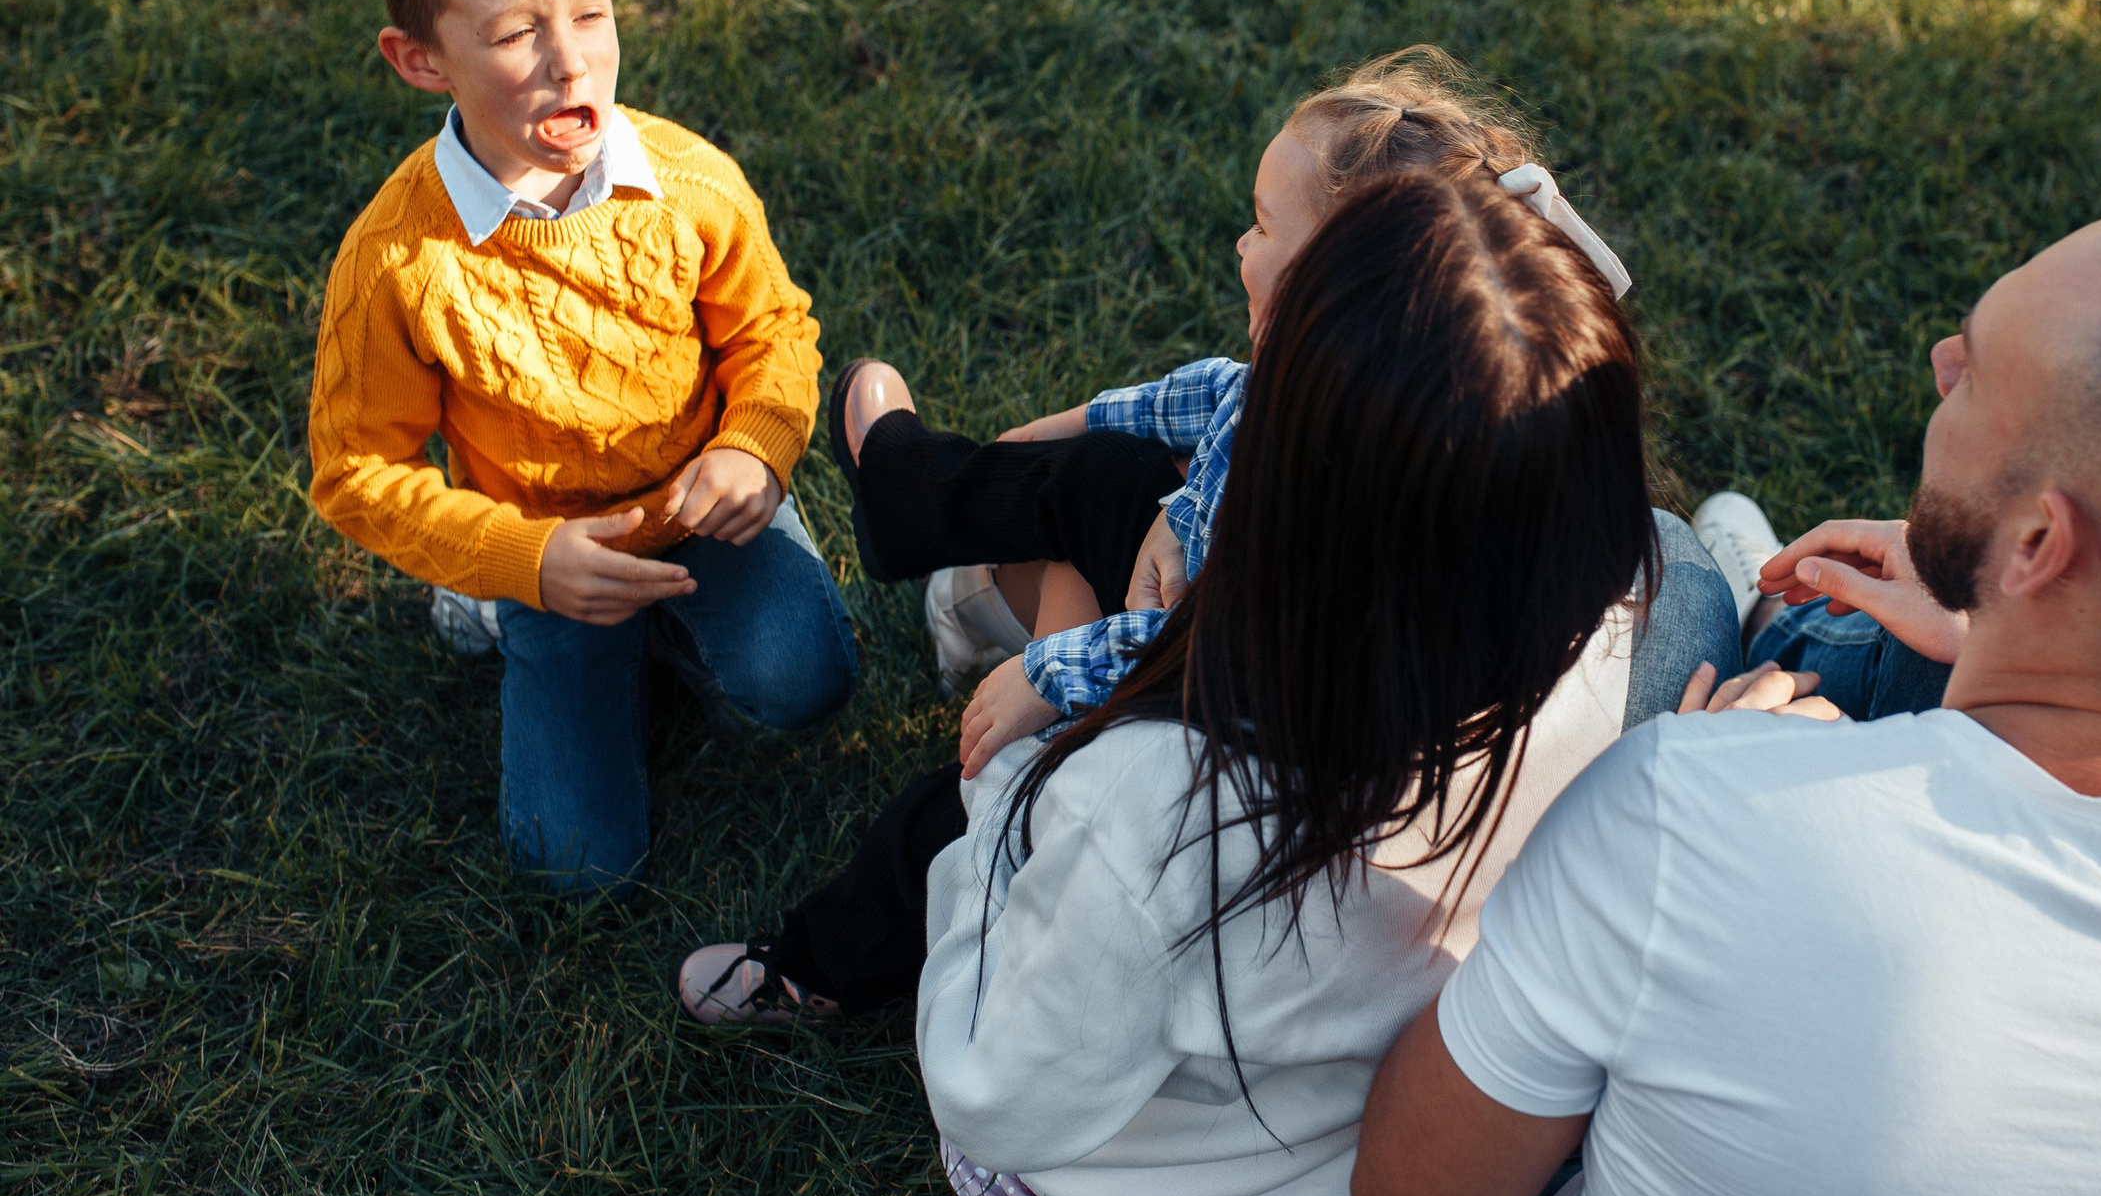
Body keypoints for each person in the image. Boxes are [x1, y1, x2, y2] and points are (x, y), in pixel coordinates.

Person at [1352, 214, 2101, 1196]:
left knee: (1675, 578)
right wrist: (1993, 622)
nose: (1938, 360)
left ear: (2035, 544)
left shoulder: (1686, 811)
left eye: (1976, 367)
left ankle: (1761, 631)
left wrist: (1697, 775)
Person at [671, 70, 1732, 1022]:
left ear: (1346, 301)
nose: (1240, 245)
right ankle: (914, 493)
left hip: (1191, 706)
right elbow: (1182, 403)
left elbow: (1207, 664)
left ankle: (814, 966)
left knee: (954, 807)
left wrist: (1051, 667)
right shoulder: (1341, 403)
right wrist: (1017, 462)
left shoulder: (1348, 551)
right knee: (1099, 471)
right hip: (1187, 612)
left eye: (1265, 227)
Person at [921, 168, 1654, 1196]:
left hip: (1156, 1195)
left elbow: (1001, 1102)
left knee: (1005, 770)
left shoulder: (1146, 805)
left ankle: (1006, 609)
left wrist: (1000, 814)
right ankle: (1028, 615)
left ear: (1274, 483)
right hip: (1353, 1155)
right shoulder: (1607, 641)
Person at [306, 0, 856, 897]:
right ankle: (501, 609)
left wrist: (757, 447)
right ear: (422, 60)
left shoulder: (691, 182)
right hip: (546, 554)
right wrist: (523, 560)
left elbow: (773, 332)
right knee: (576, 875)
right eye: (515, 33)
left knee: (804, 684)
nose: (571, 62)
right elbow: (357, 471)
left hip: (703, 510)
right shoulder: (394, 260)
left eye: (591, 14)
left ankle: (700, 600)